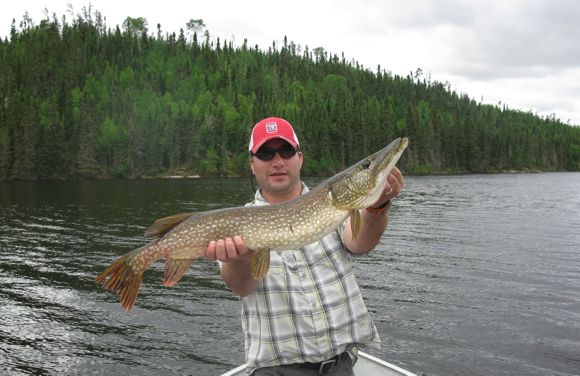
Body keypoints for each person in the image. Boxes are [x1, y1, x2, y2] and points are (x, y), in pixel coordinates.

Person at [205, 117, 404, 376]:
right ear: (252, 165)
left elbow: (361, 243)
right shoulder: (240, 221)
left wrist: (377, 207)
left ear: (299, 158)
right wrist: (239, 258)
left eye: (286, 151)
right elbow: (241, 286)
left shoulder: (335, 206)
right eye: (266, 153)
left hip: (340, 366)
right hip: (276, 371)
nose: (278, 161)